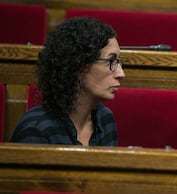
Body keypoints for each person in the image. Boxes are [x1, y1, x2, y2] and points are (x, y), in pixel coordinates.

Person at [10, 17, 125, 146]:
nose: (121, 74)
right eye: (111, 61)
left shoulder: (105, 119)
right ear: (79, 66)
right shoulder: (35, 130)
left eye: (118, 62)